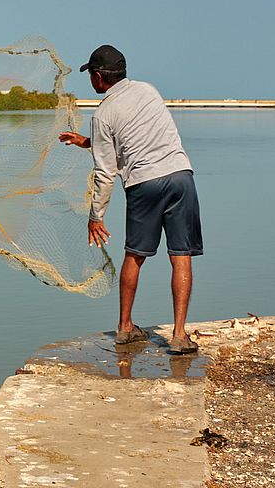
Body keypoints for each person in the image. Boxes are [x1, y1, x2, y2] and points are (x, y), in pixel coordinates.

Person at [58, 45, 203, 355]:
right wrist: (84, 141)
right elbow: (136, 137)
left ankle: (125, 327)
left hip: (144, 184)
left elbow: (106, 172)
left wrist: (96, 215)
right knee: (181, 256)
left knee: (135, 255)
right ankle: (179, 336)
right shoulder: (148, 91)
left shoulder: (103, 114)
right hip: (180, 176)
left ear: (98, 78)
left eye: (91, 76)